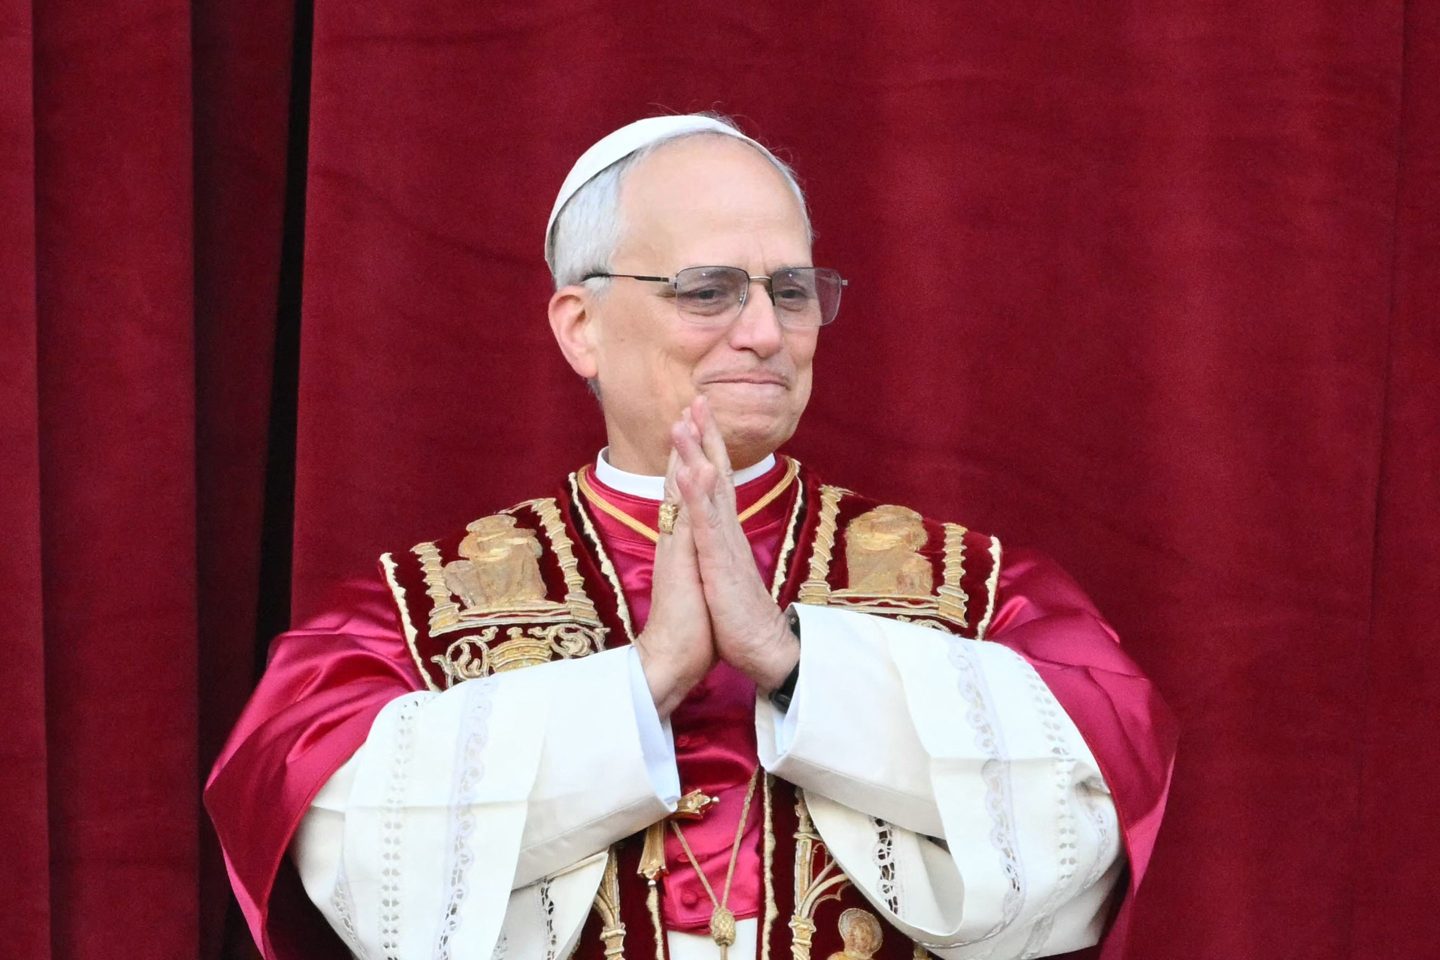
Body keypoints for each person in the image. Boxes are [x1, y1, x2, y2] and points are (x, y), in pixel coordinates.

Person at [207, 114, 1176, 960]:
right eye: (708, 290)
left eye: (791, 290)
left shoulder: (980, 590)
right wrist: (650, 676)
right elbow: (353, 866)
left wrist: (794, 665)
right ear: (581, 326)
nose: (764, 330)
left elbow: (1087, 819)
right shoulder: (411, 614)